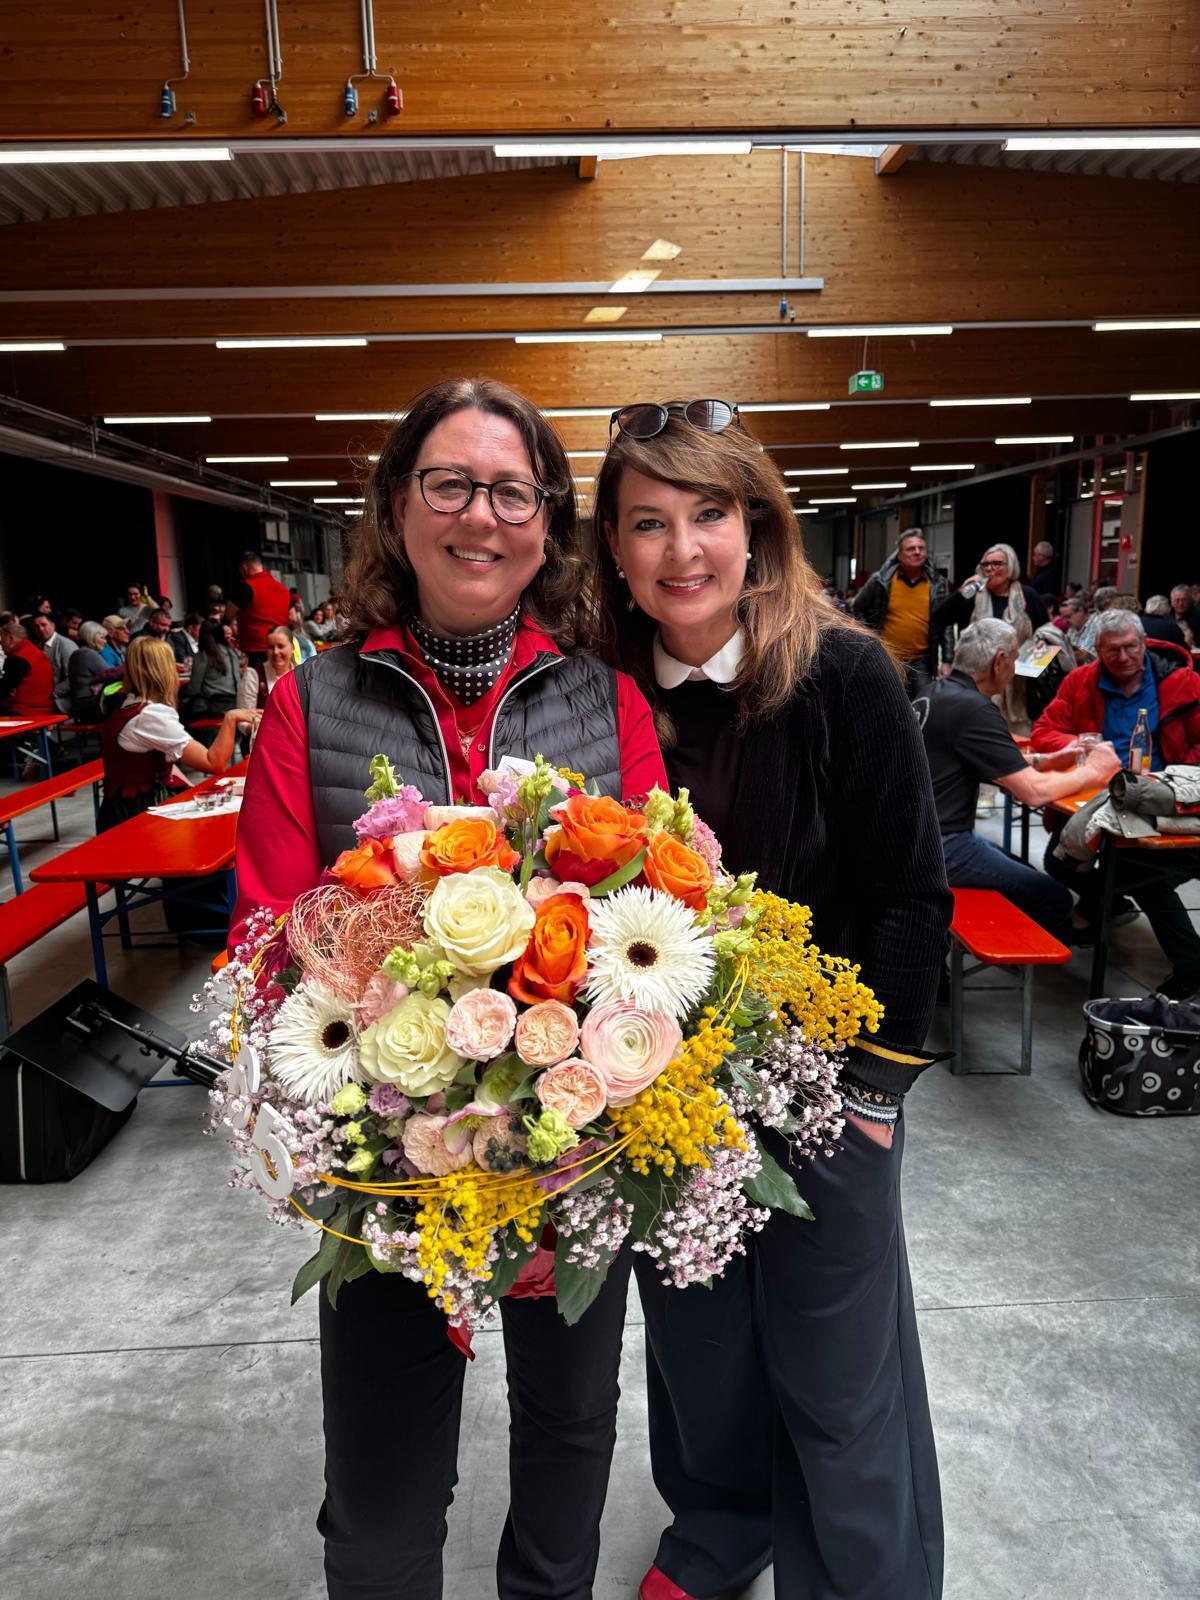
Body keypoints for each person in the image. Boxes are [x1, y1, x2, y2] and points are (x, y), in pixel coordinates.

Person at [232, 376, 666, 1600]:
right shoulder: (309, 701)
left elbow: (659, 927)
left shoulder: (605, 697)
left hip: (579, 1146)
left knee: (572, 1434)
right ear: (395, 506)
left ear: (548, 524)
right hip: (378, 1170)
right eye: (450, 483)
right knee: (377, 1502)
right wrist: (398, 1086)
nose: (482, 517)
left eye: (513, 491)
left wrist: (560, 1128)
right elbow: (268, 940)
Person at [587, 397, 951, 1600]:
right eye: (648, 522)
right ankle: (720, 1524)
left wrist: (873, 1093)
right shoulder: (597, 694)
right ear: (614, 550)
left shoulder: (841, 671)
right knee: (700, 1350)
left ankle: (858, 1576)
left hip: (821, 1089)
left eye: (708, 514)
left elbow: (910, 894)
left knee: (837, 1363)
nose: (682, 549)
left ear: (757, 529)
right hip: (655, 1097)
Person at [1031, 611, 1200, 999]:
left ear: (1143, 643)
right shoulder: (1082, 681)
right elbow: (1044, 732)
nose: (1123, 656)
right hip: (1104, 799)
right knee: (1060, 860)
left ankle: (1189, 965)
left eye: (1131, 647)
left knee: (1143, 875)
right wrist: (1080, 748)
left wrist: (1175, 774)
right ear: (1098, 651)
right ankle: (1106, 905)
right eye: (1113, 650)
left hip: (1171, 800)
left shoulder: (1182, 683)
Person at [915, 620, 1119, 936]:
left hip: (919, 835)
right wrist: (1094, 771)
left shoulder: (937, 691)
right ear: (999, 662)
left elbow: (992, 762)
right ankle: (1033, 964)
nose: (1015, 668)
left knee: (1024, 869)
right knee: (1055, 897)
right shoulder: (974, 708)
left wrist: (1048, 759)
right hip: (942, 844)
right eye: (1013, 658)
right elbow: (1033, 793)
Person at [98, 636, 257, 830]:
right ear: (163, 671)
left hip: (116, 807)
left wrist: (192, 790)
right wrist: (231, 719)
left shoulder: (126, 705)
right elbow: (214, 762)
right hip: (137, 813)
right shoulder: (151, 715)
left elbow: (163, 763)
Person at [933, 543, 1049, 736]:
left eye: (997, 564)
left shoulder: (1028, 596)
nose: (990, 569)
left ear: (1011, 567)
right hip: (976, 683)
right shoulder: (973, 596)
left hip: (1019, 683)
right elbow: (939, 618)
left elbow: (1045, 631)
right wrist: (960, 594)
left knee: (1017, 737)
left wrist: (1041, 644)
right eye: (986, 564)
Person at [850, 528, 951, 692]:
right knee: (886, 707)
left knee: (923, 708)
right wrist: (867, 635)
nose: (917, 552)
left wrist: (947, 660)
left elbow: (945, 622)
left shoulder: (938, 584)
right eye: (911, 549)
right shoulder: (881, 581)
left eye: (921, 548)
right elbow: (857, 607)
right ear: (899, 555)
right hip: (887, 658)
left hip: (921, 661)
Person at [225, 550, 290, 669]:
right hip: (281, 648)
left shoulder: (247, 587)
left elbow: (228, 614)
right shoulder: (283, 589)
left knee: (258, 685)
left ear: (244, 568)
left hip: (255, 651)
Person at [184, 621, 243, 720]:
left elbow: (194, 689)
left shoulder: (205, 654)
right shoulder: (231, 651)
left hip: (211, 707)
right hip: (234, 704)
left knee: (182, 714)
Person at [0, 618, 56, 718]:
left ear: (10, 639)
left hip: (24, 712)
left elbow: (4, 689)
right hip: (45, 709)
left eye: (2, 640)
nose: (1, 645)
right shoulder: (35, 652)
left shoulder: (19, 658)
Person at [29, 612, 78, 714]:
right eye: (36, 626)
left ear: (53, 625)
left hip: (63, 699)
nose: (40, 629)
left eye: (43, 625)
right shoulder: (39, 646)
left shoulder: (66, 645)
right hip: (45, 696)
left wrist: (50, 693)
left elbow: (73, 678)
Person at [237, 624, 295, 708]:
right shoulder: (253, 675)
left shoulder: (302, 676)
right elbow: (244, 717)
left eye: (281, 646)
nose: (275, 652)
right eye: (271, 647)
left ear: (292, 648)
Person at [68, 621, 115, 723]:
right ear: (92, 638)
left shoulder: (76, 653)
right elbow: (111, 675)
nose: (105, 641)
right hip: (90, 705)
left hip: (80, 705)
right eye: (102, 638)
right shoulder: (88, 654)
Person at [1060, 595, 1098, 660]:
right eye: (1063, 618)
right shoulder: (1073, 627)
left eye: (1068, 617)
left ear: (1081, 611)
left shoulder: (1096, 624)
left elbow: (1083, 656)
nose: (1065, 621)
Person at [1169, 584, 1200, 649]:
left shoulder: (1198, 615)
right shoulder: (1165, 616)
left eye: (1184, 600)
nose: (1181, 604)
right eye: (1177, 600)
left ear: (1190, 600)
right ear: (1171, 601)